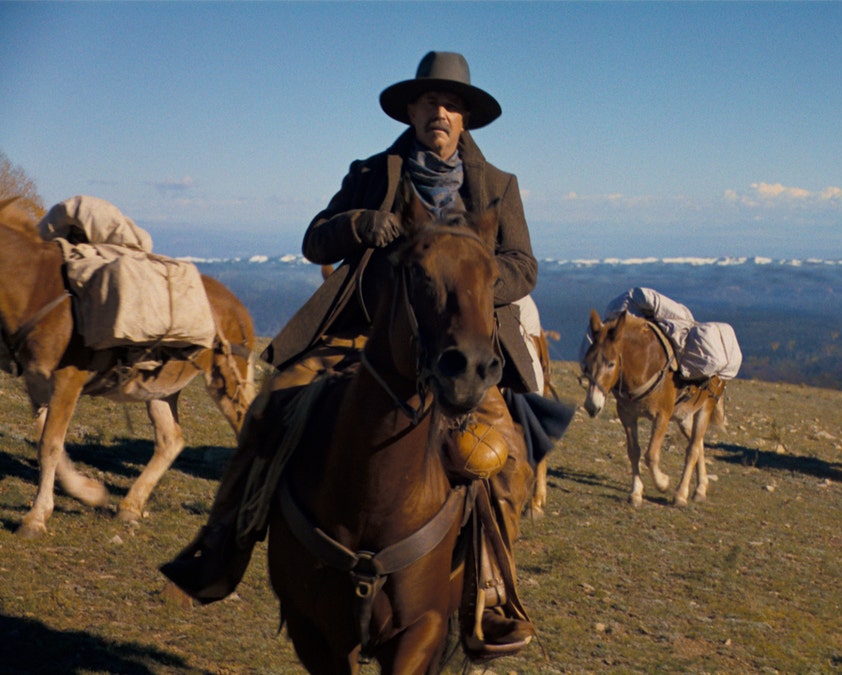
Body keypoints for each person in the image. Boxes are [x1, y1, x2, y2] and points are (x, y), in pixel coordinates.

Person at [161, 51, 567, 658]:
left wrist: (472, 284)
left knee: (503, 457)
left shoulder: (498, 188)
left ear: (466, 119)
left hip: (459, 346)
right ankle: (223, 542)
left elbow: (524, 266)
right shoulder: (374, 170)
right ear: (412, 109)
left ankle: (489, 592)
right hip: (360, 337)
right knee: (271, 409)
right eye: (431, 101)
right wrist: (359, 223)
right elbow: (314, 238)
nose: (441, 113)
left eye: (452, 104)